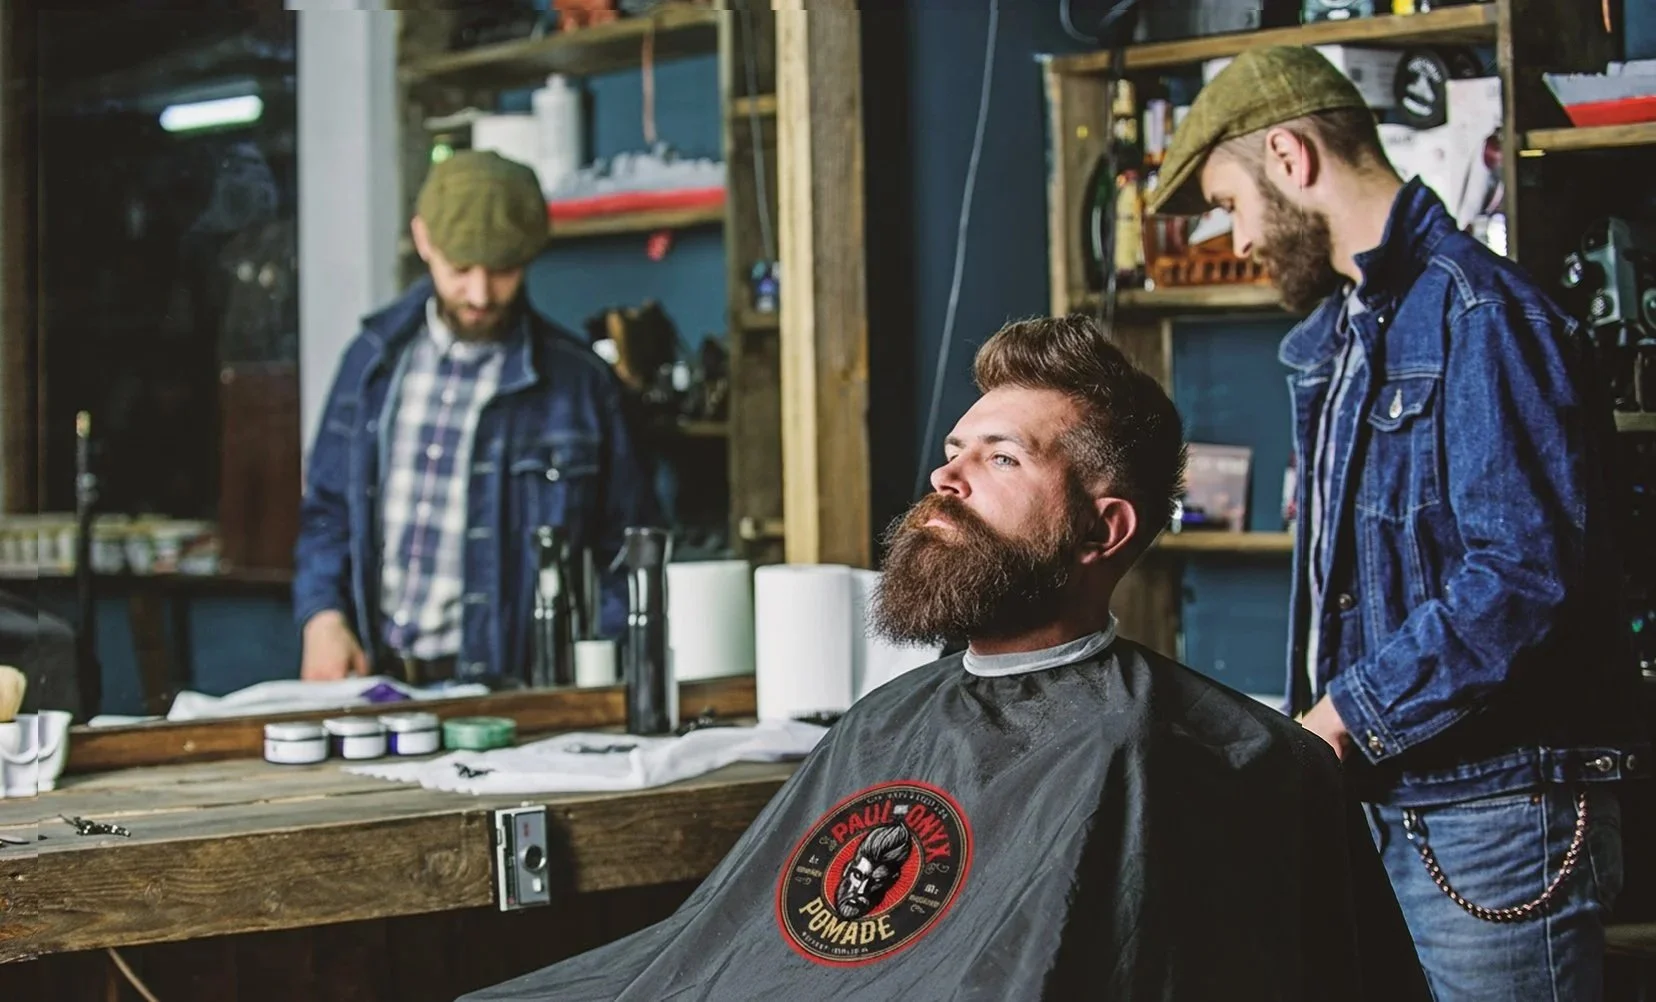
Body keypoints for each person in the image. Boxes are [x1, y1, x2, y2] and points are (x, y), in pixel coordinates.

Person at [459, 315, 1428, 1001]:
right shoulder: (887, 720)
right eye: (955, 450)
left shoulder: (1178, 755)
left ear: (1104, 529)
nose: (944, 477)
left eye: (1000, 459)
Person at [1147, 45, 1651, 1002]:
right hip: (1389, 799)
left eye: (1232, 200)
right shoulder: (1344, 339)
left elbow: (1521, 576)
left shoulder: (1482, 315)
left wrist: (1341, 718)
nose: (1236, 235)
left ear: (1290, 159)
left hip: (1495, 818)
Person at [293, 151, 656, 686]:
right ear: (424, 241)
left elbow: (630, 552)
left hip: (516, 701)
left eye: (504, 271)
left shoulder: (582, 386)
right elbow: (327, 511)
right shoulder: (369, 363)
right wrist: (322, 617)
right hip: (376, 688)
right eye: (460, 269)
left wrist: (597, 673)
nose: (481, 295)